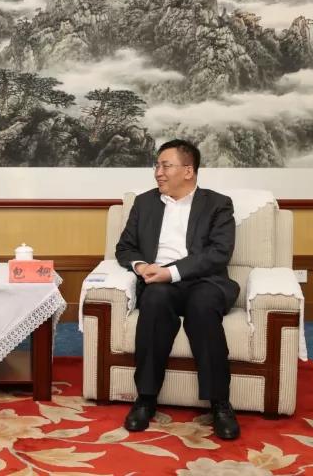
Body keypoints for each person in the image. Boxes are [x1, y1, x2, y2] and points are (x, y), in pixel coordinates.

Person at [116, 139, 240, 440]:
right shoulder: (144, 203)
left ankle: (219, 403)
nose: (158, 172)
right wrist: (141, 266)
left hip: (204, 281)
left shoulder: (217, 204)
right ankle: (145, 398)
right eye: (157, 166)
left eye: (165, 166)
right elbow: (125, 247)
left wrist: (170, 272)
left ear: (188, 170)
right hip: (158, 283)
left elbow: (219, 254)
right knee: (154, 300)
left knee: (202, 306)